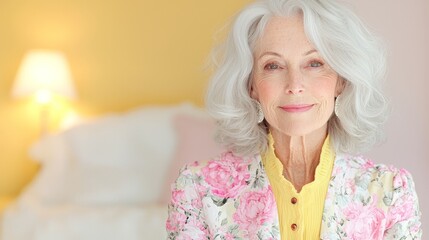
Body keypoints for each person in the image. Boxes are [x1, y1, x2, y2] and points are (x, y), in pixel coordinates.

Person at [166, 0, 422, 239]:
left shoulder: (391, 192)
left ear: (341, 81)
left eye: (314, 63)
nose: (295, 85)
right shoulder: (196, 189)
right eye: (273, 66)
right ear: (251, 85)